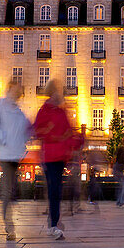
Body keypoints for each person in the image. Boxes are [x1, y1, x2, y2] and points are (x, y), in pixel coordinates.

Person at [33, 79, 84, 239]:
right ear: (51, 93)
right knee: (55, 189)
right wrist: (52, 133)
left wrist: (79, 140)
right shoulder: (45, 110)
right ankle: (53, 224)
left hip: (60, 157)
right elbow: (37, 130)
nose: (59, 94)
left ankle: (53, 222)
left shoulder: (61, 112)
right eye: (57, 91)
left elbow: (68, 134)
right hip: (49, 156)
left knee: (56, 190)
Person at [0, 78, 32, 240]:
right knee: (7, 190)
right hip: (6, 154)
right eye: (17, 89)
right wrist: (2, 138)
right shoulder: (1, 105)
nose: (19, 92)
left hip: (16, 155)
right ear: (11, 88)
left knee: (13, 189)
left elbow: (27, 130)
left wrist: (27, 139)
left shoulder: (19, 111)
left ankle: (9, 218)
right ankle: (9, 227)